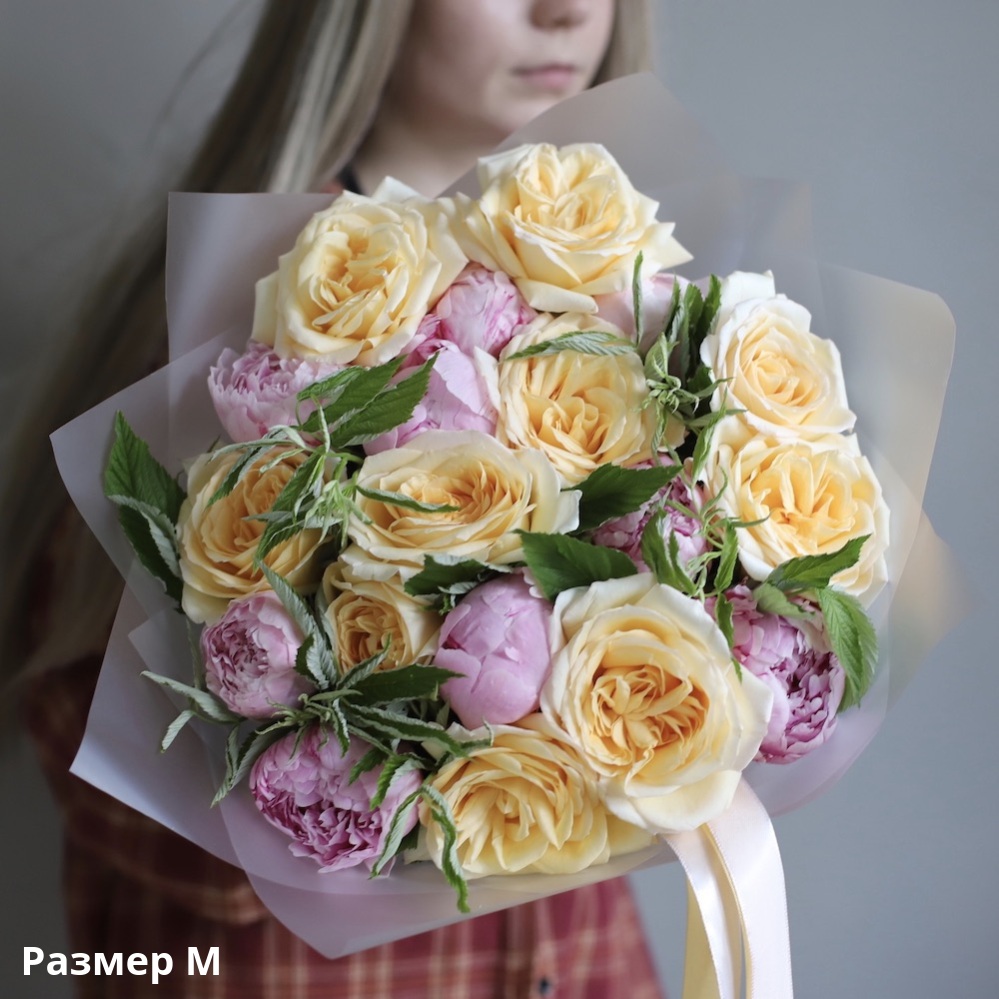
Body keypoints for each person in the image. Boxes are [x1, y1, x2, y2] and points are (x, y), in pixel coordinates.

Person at [2, 2, 667, 996]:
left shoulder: (631, 302)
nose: (565, 10)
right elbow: (84, 731)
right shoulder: (234, 326)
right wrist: (341, 802)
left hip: (576, 962)